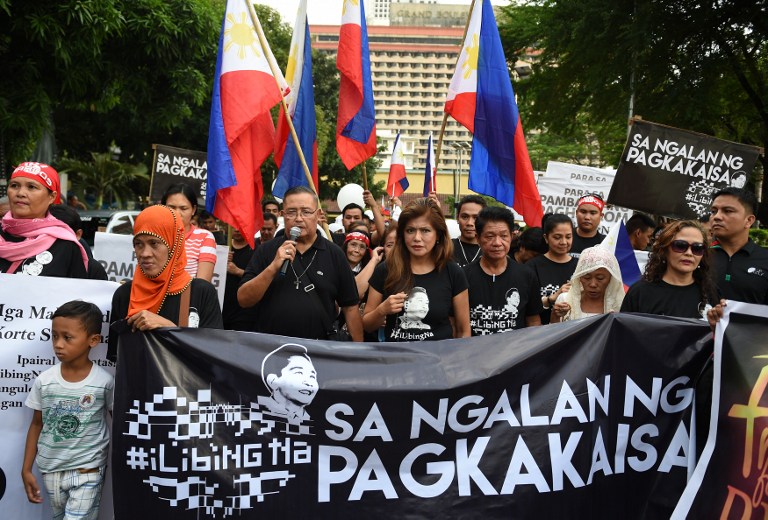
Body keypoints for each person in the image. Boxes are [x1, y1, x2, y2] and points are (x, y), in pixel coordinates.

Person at [22, 301, 113, 519]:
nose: (58, 344)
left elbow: (117, 422)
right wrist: (26, 469)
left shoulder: (104, 382)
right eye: (54, 336)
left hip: (88, 470)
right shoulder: (45, 381)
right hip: (51, 469)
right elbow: (37, 424)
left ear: (93, 340)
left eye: (67, 337)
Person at [238, 186, 363, 341]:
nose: (298, 218)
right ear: (283, 216)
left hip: (318, 350)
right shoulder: (266, 251)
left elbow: (350, 308)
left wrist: (358, 357)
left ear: (317, 215)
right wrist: (273, 267)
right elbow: (244, 299)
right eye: (291, 212)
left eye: (306, 212)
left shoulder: (334, 254)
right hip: (272, 348)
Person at [108, 205, 223, 360]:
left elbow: (216, 356)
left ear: (174, 244)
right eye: (138, 244)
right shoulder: (125, 294)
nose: (145, 253)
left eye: (154, 243)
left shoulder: (201, 292)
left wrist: (169, 328)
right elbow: (118, 359)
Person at [363, 197, 470, 341]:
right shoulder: (385, 270)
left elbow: (463, 330)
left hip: (438, 360)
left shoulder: (453, 272)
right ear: (402, 234)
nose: (417, 238)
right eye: (410, 230)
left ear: (438, 234)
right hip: (396, 360)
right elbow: (367, 325)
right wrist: (382, 310)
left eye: (425, 230)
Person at [0, 162, 89, 278]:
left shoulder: (66, 245)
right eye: (14, 185)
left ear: (51, 197)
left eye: (32, 187)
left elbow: (77, 292)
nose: (20, 193)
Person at [464, 207, 542, 335]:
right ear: (478, 238)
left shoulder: (526, 275)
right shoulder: (464, 276)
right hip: (474, 353)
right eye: (489, 236)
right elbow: (456, 324)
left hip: (515, 353)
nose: (497, 243)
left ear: (511, 237)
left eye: (503, 236)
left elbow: (533, 321)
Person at [622, 220, 717, 318]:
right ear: (665, 249)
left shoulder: (710, 292)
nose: (689, 253)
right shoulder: (639, 293)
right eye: (680, 245)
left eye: (697, 248)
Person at [709, 187, 768, 304]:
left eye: (728, 211)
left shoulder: (765, 259)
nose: (717, 217)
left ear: (749, 220)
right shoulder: (696, 255)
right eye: (713, 211)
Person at [526, 214, 578, 324]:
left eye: (568, 237)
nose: (563, 242)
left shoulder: (580, 267)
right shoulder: (531, 267)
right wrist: (551, 299)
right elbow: (525, 305)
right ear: (546, 238)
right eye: (557, 237)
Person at [551, 246, 625, 322]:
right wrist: (555, 315)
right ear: (579, 277)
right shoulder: (565, 300)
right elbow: (552, 332)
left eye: (600, 278)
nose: (593, 284)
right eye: (587, 277)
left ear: (610, 278)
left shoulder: (619, 304)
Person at [161, 183, 216, 282]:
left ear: (193, 210)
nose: (177, 213)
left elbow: (202, 284)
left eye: (183, 208)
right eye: (172, 207)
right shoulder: (155, 235)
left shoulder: (205, 237)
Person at [261, 344, 317, 425]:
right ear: (273, 381)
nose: (308, 382)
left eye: (312, 376)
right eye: (299, 373)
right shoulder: (254, 414)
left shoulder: (316, 423)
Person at [48, 204, 108, 280]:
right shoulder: (32, 263)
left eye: (63, 236)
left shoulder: (93, 270)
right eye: (47, 234)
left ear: (78, 234)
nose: (55, 241)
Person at [222, 227, 257, 331]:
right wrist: (221, 258)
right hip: (221, 308)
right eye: (233, 226)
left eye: (240, 227)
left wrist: (237, 271)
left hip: (243, 312)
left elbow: (258, 278)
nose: (236, 230)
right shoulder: (222, 246)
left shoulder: (256, 250)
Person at [452, 194, 487, 267]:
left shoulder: (491, 251)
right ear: (457, 218)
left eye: (476, 218)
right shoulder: (445, 247)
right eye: (465, 217)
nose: (469, 223)